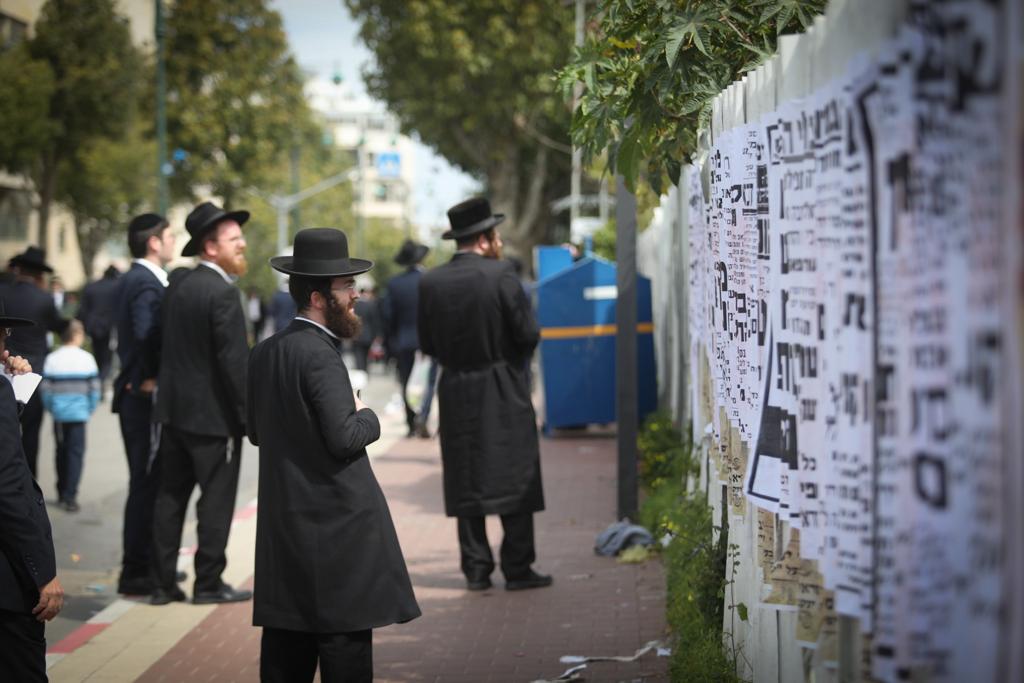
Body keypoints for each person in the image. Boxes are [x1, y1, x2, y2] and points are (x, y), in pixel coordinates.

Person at [248, 228, 420, 682]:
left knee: (286, 654)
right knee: (343, 651)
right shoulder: (320, 354)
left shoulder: (264, 352)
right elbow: (344, 438)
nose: (356, 295)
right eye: (346, 287)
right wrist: (369, 416)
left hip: (286, 531)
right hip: (337, 533)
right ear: (318, 297)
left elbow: (256, 432)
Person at [417, 197, 551, 592]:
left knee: (465, 473)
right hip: (501, 382)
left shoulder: (431, 282)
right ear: (484, 238)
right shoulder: (501, 274)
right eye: (495, 234)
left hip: (455, 387)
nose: (499, 241)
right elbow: (526, 333)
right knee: (515, 470)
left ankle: (476, 569)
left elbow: (428, 344)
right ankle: (518, 566)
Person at [151, 201, 252, 606]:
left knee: (170, 498)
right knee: (215, 502)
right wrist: (250, 418)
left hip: (173, 414)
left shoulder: (178, 284)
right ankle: (208, 583)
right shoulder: (223, 292)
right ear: (210, 247)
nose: (242, 244)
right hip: (214, 421)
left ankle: (162, 585)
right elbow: (234, 364)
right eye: (234, 239)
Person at [112, 213, 176, 596]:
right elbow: (144, 333)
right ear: (154, 242)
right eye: (169, 236)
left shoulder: (139, 278)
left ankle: (149, 564)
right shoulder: (144, 281)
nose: (173, 242)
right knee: (147, 483)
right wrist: (148, 375)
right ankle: (137, 571)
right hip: (142, 396)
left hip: (137, 393)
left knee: (149, 482)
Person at [0, 302, 65, 680]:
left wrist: (13, 395)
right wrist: (42, 573)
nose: (6, 347)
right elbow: (8, 486)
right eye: (4, 335)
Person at [0, 246, 67, 476]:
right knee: (30, 432)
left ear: (18, 269)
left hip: (4, 365)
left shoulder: (3, 292)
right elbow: (59, 325)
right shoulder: (44, 298)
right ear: (39, 275)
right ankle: (29, 477)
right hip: (32, 373)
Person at [40, 320, 100, 513]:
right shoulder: (87, 359)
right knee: (76, 454)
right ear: (77, 335)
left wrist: (52, 408)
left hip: (59, 415)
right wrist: (89, 409)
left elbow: (46, 389)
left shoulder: (52, 358)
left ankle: (61, 490)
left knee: (60, 451)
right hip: (79, 415)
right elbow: (94, 389)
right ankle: (70, 495)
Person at [385, 239, 429, 437]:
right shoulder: (428, 280)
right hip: (427, 341)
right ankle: (424, 417)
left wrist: (391, 342)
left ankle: (411, 423)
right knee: (427, 381)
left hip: (403, 341)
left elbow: (388, 316)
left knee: (406, 381)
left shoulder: (395, 284)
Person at [77, 265, 120, 397]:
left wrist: (83, 326)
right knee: (107, 359)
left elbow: (82, 310)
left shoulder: (92, 287)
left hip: (93, 327)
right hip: (110, 327)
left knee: (98, 356)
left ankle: (97, 383)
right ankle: (100, 384)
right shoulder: (117, 286)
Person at [351, 283, 383, 372]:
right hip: (368, 335)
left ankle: (360, 372)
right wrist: (378, 335)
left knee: (358, 356)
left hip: (356, 335)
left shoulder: (355, 305)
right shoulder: (371, 305)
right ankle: (364, 371)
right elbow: (375, 322)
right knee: (366, 357)